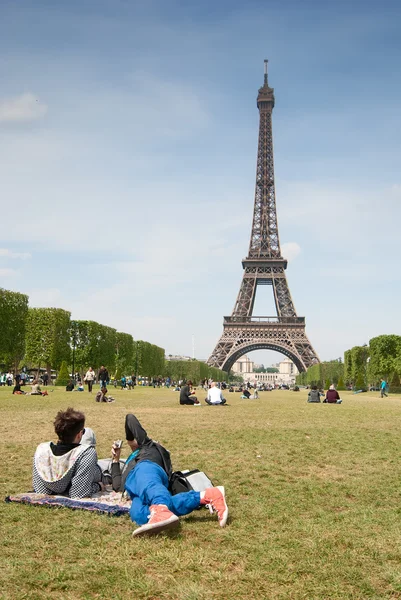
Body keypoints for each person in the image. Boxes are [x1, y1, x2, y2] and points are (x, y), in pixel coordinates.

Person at [109, 414, 228, 536]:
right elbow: (117, 485)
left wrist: (130, 440)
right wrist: (115, 459)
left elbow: (130, 418)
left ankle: (160, 508)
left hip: (147, 468)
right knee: (137, 515)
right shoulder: (130, 464)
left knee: (148, 483)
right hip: (133, 487)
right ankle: (207, 495)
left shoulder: (148, 447)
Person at [33, 407, 104, 498]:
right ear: (79, 434)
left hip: (50, 488)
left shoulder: (42, 449)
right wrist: (98, 487)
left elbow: (40, 491)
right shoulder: (86, 452)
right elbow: (78, 494)